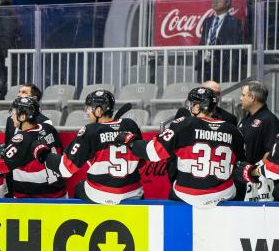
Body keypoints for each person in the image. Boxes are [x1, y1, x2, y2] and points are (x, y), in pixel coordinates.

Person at [114, 87, 246, 208]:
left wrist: (130, 141)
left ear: (197, 107)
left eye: (192, 104)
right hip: (223, 196)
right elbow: (242, 168)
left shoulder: (184, 124)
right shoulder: (233, 130)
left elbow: (153, 152)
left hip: (187, 196)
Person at [38, 90, 144, 204]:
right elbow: (141, 162)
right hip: (133, 192)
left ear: (98, 111)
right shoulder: (130, 125)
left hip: (101, 195)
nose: (86, 112)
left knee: (79, 187)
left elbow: (65, 170)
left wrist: (43, 154)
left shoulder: (89, 131)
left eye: (88, 108)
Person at [0, 96, 65, 199]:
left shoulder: (20, 138)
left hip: (33, 200)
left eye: (14, 113)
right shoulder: (49, 128)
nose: (11, 117)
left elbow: (0, 167)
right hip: (60, 195)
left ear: (23, 117)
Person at [238, 80, 279, 200]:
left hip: (259, 181)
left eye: (243, 95)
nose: (241, 98)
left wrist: (254, 172)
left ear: (252, 97)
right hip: (243, 177)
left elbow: (271, 152)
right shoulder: (245, 118)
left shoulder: (270, 120)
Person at [196, 0, 243, 82]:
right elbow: (202, 43)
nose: (214, 1)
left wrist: (230, 66)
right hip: (205, 66)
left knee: (221, 93)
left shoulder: (234, 22)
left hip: (222, 66)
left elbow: (234, 48)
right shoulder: (207, 21)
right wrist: (200, 62)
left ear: (228, 1)